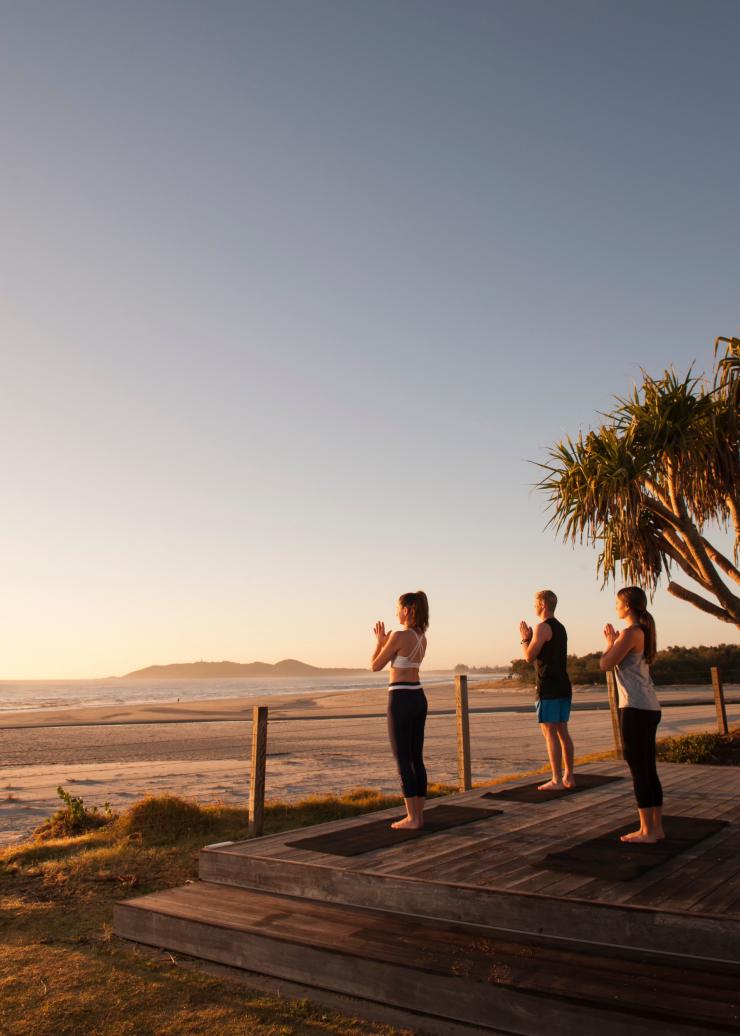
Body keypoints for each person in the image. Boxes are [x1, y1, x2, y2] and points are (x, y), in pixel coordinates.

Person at [600, 586, 664, 843]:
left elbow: (605, 664)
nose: (615, 607)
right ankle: (655, 828)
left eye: (618, 603)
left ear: (627, 606)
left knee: (640, 769)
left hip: (636, 708)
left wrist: (609, 643)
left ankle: (647, 830)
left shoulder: (630, 633)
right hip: (648, 707)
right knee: (648, 768)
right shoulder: (644, 631)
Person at [371, 590, 429, 830]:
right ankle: (418, 816)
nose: (395, 612)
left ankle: (412, 818)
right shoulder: (421, 636)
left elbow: (375, 665)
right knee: (416, 757)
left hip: (401, 697)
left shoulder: (399, 634)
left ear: (406, 610)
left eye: (397, 608)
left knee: (402, 758)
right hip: (418, 696)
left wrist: (380, 643)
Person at [519, 589, 575, 791]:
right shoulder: (561, 627)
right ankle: (569, 776)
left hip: (548, 686)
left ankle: (556, 779)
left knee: (549, 732)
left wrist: (525, 638)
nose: (534, 606)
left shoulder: (542, 627)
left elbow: (529, 656)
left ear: (542, 604)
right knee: (562, 731)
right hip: (563, 685)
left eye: (535, 603)